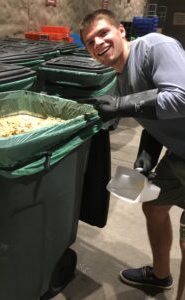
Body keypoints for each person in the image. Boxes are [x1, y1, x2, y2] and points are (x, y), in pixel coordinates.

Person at [80, 8, 185, 300]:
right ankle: (161, 276)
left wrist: (122, 106)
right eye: (90, 41)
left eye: (103, 33)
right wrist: (145, 158)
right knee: (154, 207)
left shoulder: (154, 46)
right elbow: (154, 120)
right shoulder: (121, 78)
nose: (98, 42)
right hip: (179, 155)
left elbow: (181, 98)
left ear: (121, 31)